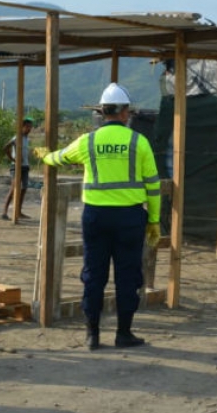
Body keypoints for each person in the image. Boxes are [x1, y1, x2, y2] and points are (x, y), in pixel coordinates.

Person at [43, 82, 161, 350]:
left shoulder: (88, 141)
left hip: (95, 217)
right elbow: (153, 185)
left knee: (94, 275)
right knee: (127, 276)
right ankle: (123, 334)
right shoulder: (138, 142)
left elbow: (59, 158)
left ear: (103, 111)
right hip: (130, 219)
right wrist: (154, 219)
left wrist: (44, 156)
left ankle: (92, 335)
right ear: (124, 113)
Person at [2, 117, 34, 219]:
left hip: (25, 166)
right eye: (27, 127)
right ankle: (4, 212)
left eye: (30, 127)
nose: (29, 129)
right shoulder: (17, 137)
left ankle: (19, 211)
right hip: (16, 167)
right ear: (22, 127)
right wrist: (12, 159)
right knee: (14, 189)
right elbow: (6, 147)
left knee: (24, 188)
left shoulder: (26, 139)